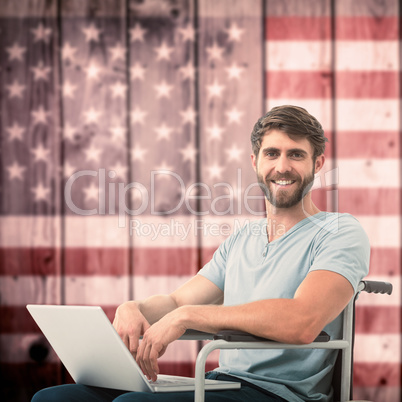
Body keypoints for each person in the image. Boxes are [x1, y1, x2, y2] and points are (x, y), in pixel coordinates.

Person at [32, 105, 370, 401]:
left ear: (318, 163)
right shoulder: (242, 239)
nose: (282, 166)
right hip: (222, 384)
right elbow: (179, 302)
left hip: (278, 393)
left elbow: (302, 321)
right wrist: (133, 308)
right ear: (255, 161)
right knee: (54, 397)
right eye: (272, 153)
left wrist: (188, 318)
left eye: (296, 154)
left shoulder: (340, 232)